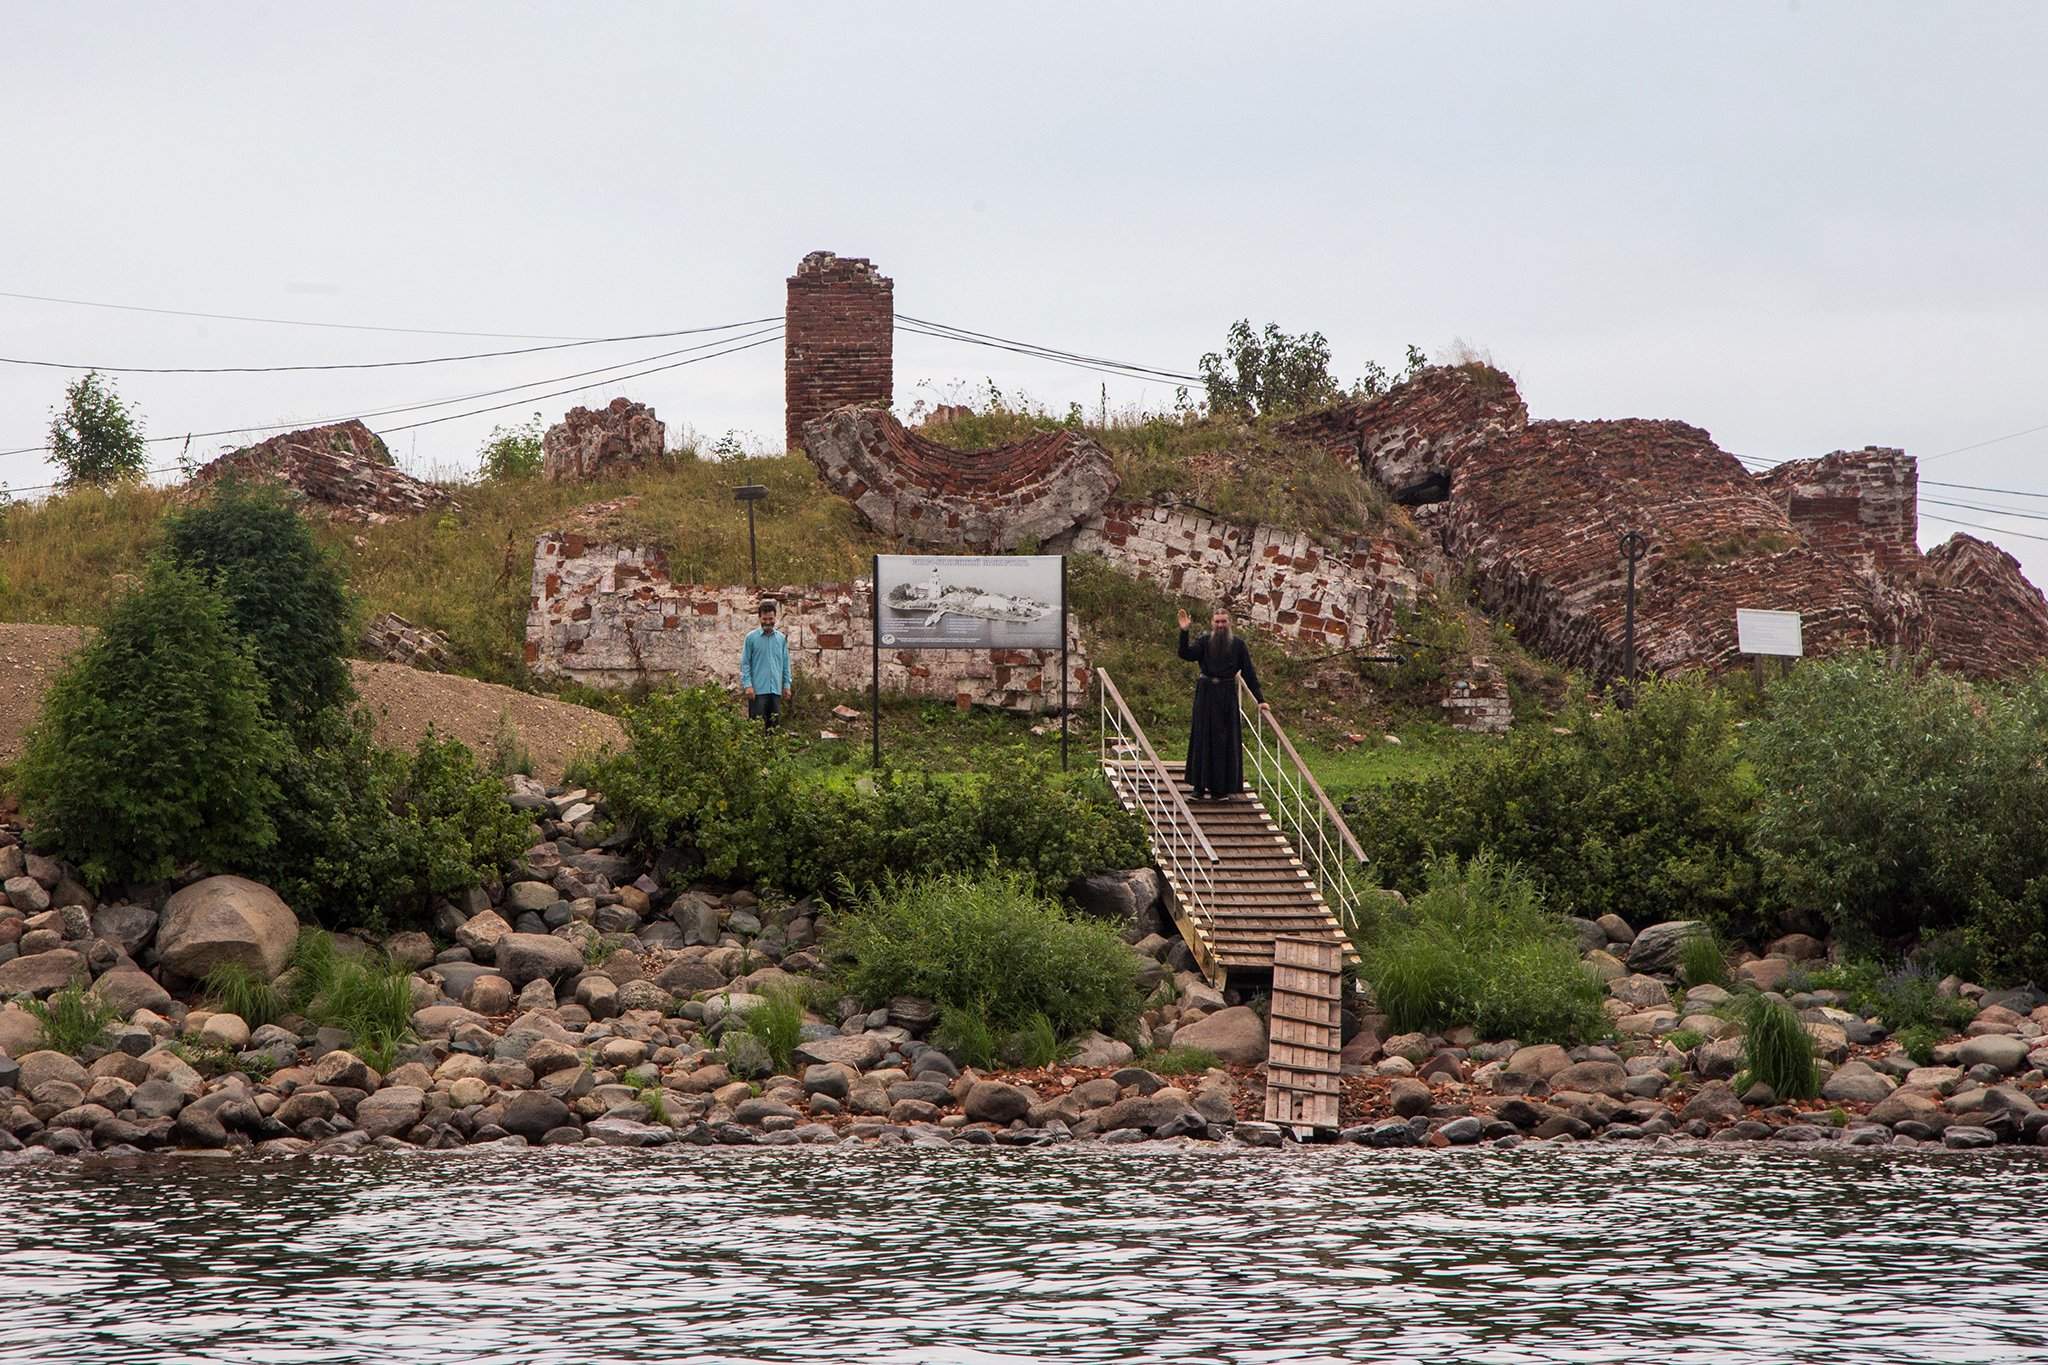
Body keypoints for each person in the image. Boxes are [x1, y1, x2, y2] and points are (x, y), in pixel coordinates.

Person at [1177, 605, 1268, 800]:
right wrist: (1184, 632)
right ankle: (1199, 788)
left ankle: (1220, 789)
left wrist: (1260, 700)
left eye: (1223, 622)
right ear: (1212, 623)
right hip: (1206, 695)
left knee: (1223, 741)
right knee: (1202, 737)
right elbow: (1185, 654)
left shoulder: (1238, 645)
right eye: (1217, 622)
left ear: (1229, 623)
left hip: (1226, 696)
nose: (1220, 625)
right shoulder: (1203, 642)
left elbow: (1249, 674)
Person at [740, 599, 792, 729]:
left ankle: (772, 749)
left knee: (774, 727)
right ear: (759, 618)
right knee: (756, 727)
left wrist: (787, 685)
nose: (768, 622)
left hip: (775, 690)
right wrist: (748, 685)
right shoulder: (751, 638)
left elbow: (785, 663)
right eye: (764, 619)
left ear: (775, 618)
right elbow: (745, 663)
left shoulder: (781, 639)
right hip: (757, 692)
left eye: (771, 619)